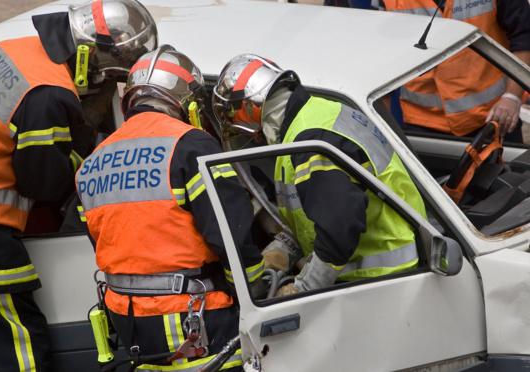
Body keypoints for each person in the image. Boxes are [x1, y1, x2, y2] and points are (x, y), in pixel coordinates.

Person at [0, 0, 157, 370]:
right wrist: (87, 160)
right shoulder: (50, 93)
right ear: (91, 59)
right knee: (22, 344)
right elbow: (44, 183)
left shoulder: (5, 49)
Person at [75, 46, 264, 371]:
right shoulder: (191, 144)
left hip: (128, 319)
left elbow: (102, 239)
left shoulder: (92, 163)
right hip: (193, 319)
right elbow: (232, 235)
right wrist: (256, 290)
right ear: (187, 103)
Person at [212, 54, 426, 295]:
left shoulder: (308, 142)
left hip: (382, 280)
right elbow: (313, 216)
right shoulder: (315, 116)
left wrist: (304, 287)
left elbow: (339, 227)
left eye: (235, 115)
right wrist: (283, 249)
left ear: (252, 108)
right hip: (390, 269)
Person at [378, 0, 530, 141]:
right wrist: (384, 125)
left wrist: (512, 98)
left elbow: (524, 36)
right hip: (422, 123)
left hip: (493, 119)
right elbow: (380, 56)